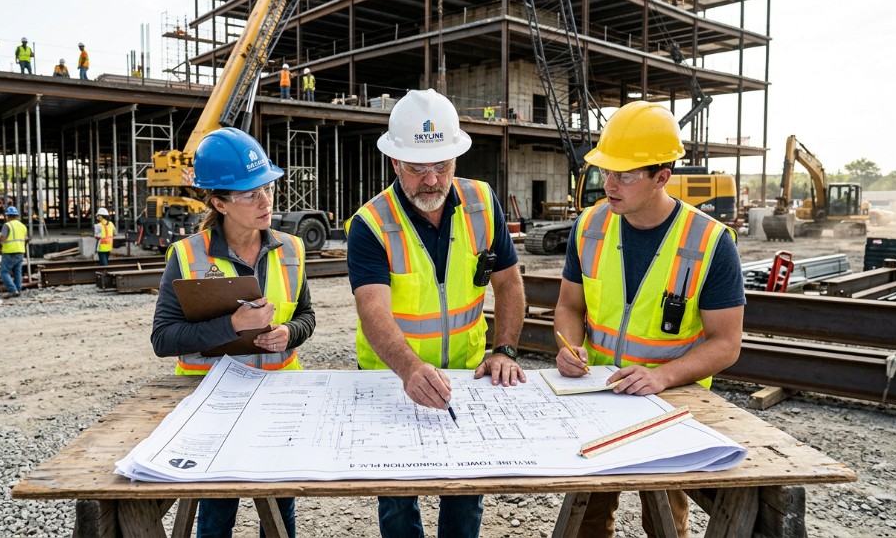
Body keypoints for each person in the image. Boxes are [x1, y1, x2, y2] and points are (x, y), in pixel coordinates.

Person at [552, 101, 745, 538]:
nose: (609, 184)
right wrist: (569, 347)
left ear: (662, 176)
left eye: (625, 174)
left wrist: (664, 376)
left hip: (671, 406)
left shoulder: (711, 242)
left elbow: (725, 342)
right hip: (598, 396)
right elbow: (569, 307)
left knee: (665, 522)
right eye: (606, 171)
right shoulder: (589, 227)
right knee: (588, 515)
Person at [346, 89, 526, 538]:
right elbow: (373, 312)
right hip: (391, 380)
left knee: (464, 497)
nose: (431, 181)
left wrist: (504, 349)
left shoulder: (482, 203)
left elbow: (508, 282)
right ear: (394, 164)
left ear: (456, 161)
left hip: (466, 377)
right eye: (416, 169)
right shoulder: (370, 223)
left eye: (441, 167)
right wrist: (408, 368)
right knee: (397, 500)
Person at [151, 127, 315, 538]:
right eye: (250, 194)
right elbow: (164, 339)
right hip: (212, 403)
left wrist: (289, 333)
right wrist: (231, 326)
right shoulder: (187, 256)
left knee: (279, 510)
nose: (266, 202)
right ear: (219, 203)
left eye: (267, 188)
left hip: (278, 397)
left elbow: (308, 315)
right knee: (217, 510)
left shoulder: (292, 249)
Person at [0, 206, 28, 298]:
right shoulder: (23, 226)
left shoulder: (7, 225)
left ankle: (12, 290)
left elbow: (3, 237)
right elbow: (26, 238)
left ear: (8, 216)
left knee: (3, 272)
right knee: (17, 271)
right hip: (20, 251)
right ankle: (18, 289)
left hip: (10, 251)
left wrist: (0, 237)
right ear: (17, 216)